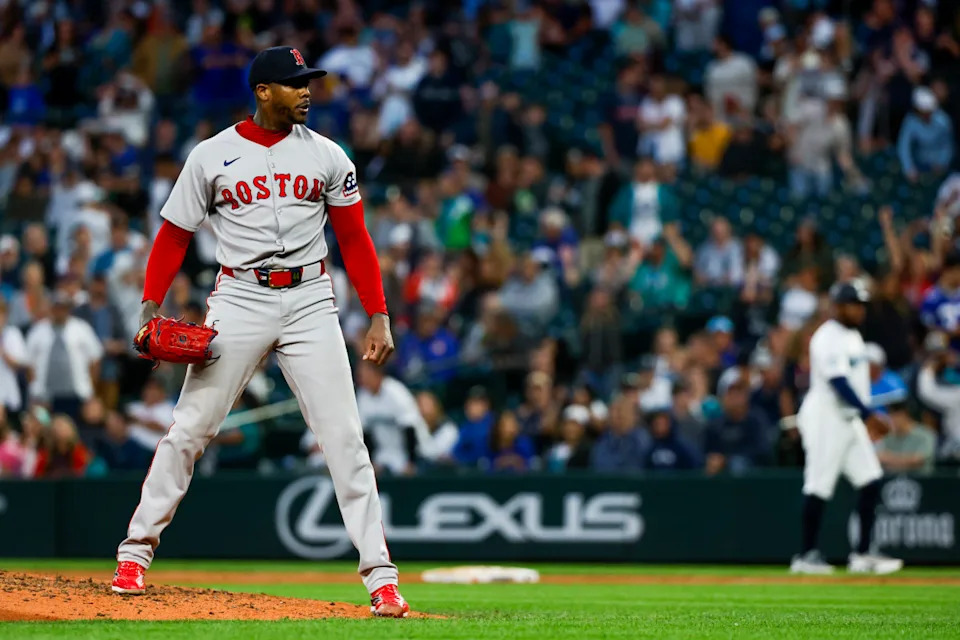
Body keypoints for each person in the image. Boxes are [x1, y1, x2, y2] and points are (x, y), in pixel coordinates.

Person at [111, 47, 409, 617]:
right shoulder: (211, 156)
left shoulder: (327, 155)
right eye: (294, 83)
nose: (306, 91)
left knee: (345, 437)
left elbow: (355, 239)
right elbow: (174, 235)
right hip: (240, 296)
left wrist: (378, 312)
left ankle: (381, 576)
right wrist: (150, 305)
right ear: (263, 91)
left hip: (310, 300)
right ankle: (134, 553)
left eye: (309, 83)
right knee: (189, 428)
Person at [790, 282, 903, 576]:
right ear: (838, 306)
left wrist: (863, 415)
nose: (859, 310)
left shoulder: (853, 336)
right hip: (826, 417)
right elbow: (838, 382)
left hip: (849, 418)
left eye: (861, 304)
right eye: (854, 304)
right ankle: (806, 555)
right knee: (819, 485)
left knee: (871, 481)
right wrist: (869, 415)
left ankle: (863, 553)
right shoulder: (827, 337)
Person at [25, 292, 103, 420]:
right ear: (51, 308)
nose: (59, 311)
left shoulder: (81, 328)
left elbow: (95, 358)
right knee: (45, 427)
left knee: (74, 428)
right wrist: (35, 388)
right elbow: (28, 363)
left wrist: (90, 387)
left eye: (63, 308)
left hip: (77, 392)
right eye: (56, 307)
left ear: (68, 309)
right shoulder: (38, 330)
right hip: (45, 395)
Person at [875, 403, 937, 474]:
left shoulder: (926, 434)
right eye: (890, 415)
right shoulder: (888, 436)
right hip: (893, 480)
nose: (892, 419)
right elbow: (880, 458)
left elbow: (918, 460)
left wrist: (890, 459)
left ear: (904, 415)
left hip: (922, 480)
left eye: (895, 415)